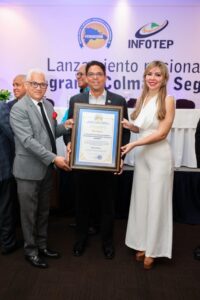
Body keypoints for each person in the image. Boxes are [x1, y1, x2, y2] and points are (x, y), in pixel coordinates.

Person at [65, 60, 130, 259]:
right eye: (91, 74)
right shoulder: (76, 99)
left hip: (107, 164)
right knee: (82, 205)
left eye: (99, 74)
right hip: (83, 163)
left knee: (107, 206)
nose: (95, 77)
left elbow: (124, 133)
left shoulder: (118, 100)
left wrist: (120, 157)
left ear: (105, 76)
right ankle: (80, 240)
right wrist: (69, 142)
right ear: (86, 77)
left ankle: (107, 243)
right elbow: (70, 127)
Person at [10, 68, 71, 268]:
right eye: (35, 84)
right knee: (29, 214)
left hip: (45, 170)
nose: (39, 87)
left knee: (44, 211)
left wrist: (66, 127)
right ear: (27, 85)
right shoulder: (19, 108)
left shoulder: (46, 104)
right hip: (28, 171)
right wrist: (54, 159)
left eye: (43, 84)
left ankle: (42, 245)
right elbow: (28, 141)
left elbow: (49, 132)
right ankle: (31, 251)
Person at [121, 61, 175, 269]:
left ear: (164, 79)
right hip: (143, 155)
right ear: (144, 77)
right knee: (141, 201)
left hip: (159, 156)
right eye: (149, 74)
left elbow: (161, 133)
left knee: (157, 203)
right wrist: (129, 125)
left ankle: (154, 249)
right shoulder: (143, 99)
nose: (152, 78)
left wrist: (134, 143)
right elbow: (141, 128)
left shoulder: (168, 100)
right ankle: (141, 243)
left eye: (157, 75)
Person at [0, 101, 19, 254]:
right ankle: (8, 243)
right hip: (3, 167)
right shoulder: (1, 106)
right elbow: (12, 134)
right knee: (5, 206)